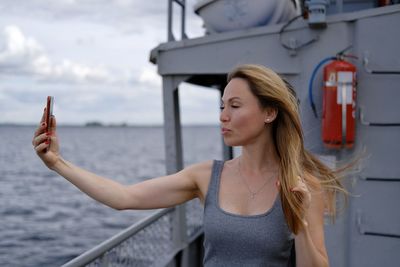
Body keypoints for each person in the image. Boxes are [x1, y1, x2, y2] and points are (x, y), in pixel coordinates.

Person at [33, 64, 347, 266]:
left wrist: (301, 223)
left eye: (235, 106)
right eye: (222, 105)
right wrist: (58, 163)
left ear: (269, 113)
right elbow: (124, 197)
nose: (223, 115)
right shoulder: (205, 176)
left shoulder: (301, 185)